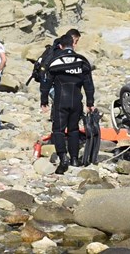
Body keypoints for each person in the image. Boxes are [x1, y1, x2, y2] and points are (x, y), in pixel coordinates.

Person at [41, 33, 95, 173]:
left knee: (58, 130)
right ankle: (75, 160)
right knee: (74, 130)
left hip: (61, 101)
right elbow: (88, 84)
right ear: (73, 44)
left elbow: (46, 83)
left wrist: (44, 100)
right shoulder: (82, 61)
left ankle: (63, 157)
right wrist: (90, 102)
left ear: (60, 46)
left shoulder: (55, 61)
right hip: (76, 100)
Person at [38, 28, 81, 112]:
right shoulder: (60, 54)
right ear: (71, 39)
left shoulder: (54, 49)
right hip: (52, 85)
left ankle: (55, 118)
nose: (75, 45)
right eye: (76, 41)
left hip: (49, 84)